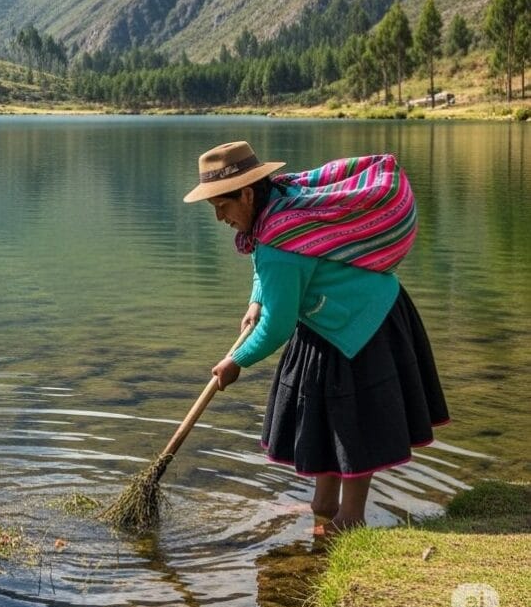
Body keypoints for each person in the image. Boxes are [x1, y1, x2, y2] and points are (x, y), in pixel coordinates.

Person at [184, 140, 448, 533]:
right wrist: (257, 298)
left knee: (352, 418)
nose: (221, 218)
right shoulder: (279, 203)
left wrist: (235, 363)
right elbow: (265, 259)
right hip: (332, 316)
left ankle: (350, 518)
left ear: (247, 193)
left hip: (364, 322)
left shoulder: (279, 235)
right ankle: (325, 503)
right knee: (326, 411)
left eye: (223, 206)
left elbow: (277, 326)